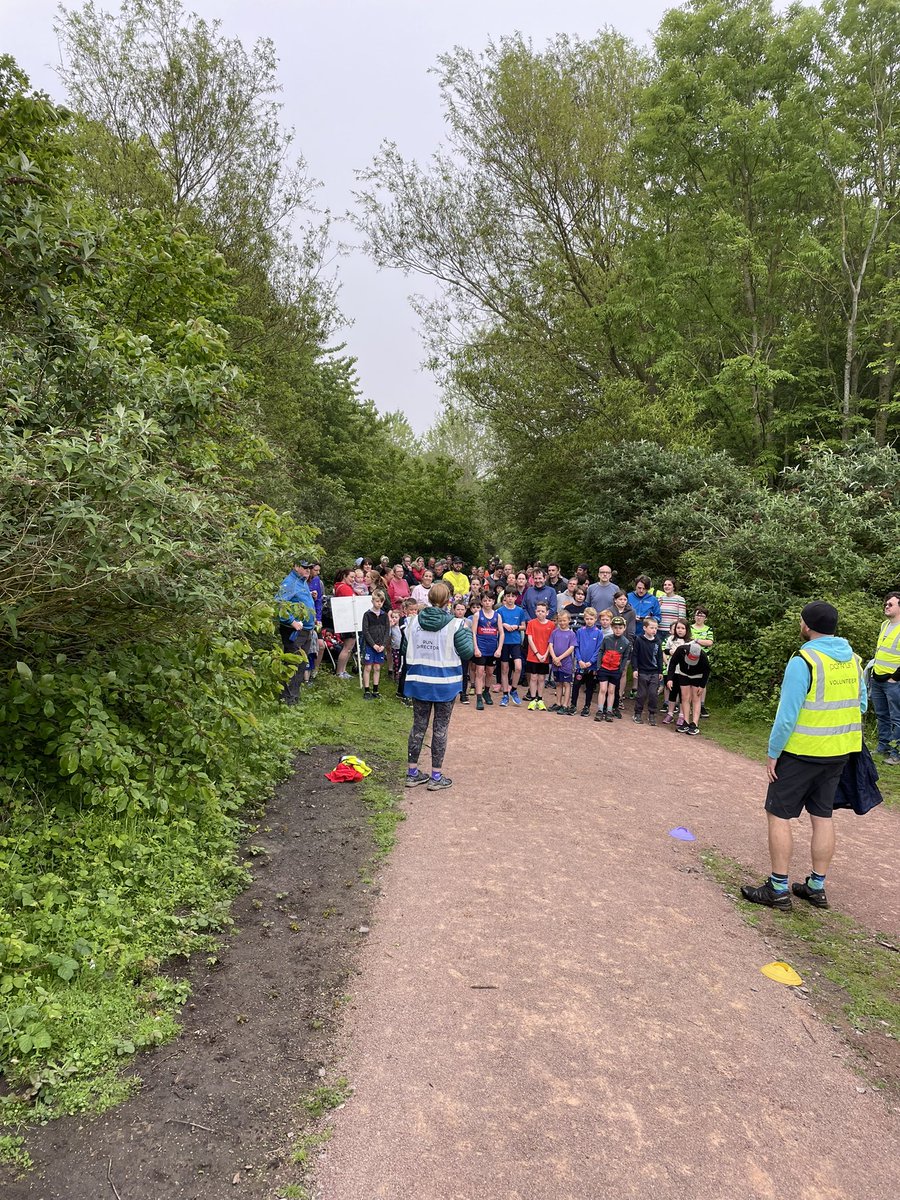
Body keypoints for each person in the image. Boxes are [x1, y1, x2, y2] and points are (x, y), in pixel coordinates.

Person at [741, 601, 866, 912]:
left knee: (778, 814)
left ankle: (778, 888)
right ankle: (816, 886)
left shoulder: (804, 659)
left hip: (802, 751)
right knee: (823, 816)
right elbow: (861, 705)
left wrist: (773, 753)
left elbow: (787, 716)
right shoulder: (853, 659)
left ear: (807, 625)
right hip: (839, 752)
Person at [403, 581, 474, 791]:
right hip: (445, 684)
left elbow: (406, 648)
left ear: (429, 598)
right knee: (440, 728)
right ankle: (436, 776)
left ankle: (412, 773)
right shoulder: (456, 624)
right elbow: (467, 653)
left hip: (419, 682)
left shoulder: (412, 622)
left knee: (418, 726)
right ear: (448, 601)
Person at [275, 559, 317, 703]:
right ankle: (286, 699)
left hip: (306, 630)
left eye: (309, 567)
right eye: (305, 567)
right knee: (292, 663)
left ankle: (294, 697)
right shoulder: (290, 582)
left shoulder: (302, 581)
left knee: (301, 664)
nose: (308, 570)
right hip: (294, 632)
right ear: (296, 566)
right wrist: (291, 621)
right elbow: (279, 604)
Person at [871, 591, 900, 766]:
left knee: (897, 718)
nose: (886, 607)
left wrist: (894, 678)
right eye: (886, 604)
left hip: (893, 682)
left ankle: (896, 753)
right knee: (882, 715)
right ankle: (883, 747)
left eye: (890, 604)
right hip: (877, 678)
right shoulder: (884, 625)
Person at [666, 640, 710, 735]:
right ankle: (685, 722)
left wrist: (702, 686)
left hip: (697, 675)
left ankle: (694, 724)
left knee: (696, 697)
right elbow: (673, 663)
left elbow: (707, 671)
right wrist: (670, 679)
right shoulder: (681, 650)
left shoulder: (703, 656)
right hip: (683, 674)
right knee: (685, 697)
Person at [472, 592, 504, 710]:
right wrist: (476, 648)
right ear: (481, 602)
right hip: (481, 648)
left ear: (493, 602)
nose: (487, 603)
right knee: (480, 672)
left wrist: (499, 648)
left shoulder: (497, 616)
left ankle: (486, 691)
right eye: (485, 600)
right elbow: (473, 633)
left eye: (489, 600)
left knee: (490, 672)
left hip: (492, 649)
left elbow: (501, 633)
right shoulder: (477, 615)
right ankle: (479, 698)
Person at [595, 615, 630, 722]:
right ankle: (600, 710)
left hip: (615, 670)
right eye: (615, 627)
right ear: (612, 627)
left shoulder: (626, 642)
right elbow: (601, 651)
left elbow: (625, 657)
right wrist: (599, 666)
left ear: (624, 628)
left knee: (611, 691)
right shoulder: (607, 639)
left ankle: (609, 710)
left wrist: (621, 669)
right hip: (604, 668)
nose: (617, 630)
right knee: (603, 689)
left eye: (620, 628)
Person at [631, 617, 663, 725]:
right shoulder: (639, 640)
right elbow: (634, 655)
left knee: (653, 694)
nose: (654, 630)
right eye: (652, 628)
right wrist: (635, 669)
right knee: (641, 694)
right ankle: (638, 713)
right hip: (643, 671)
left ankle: (652, 714)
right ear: (645, 628)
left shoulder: (657, 641)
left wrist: (660, 671)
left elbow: (659, 657)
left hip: (654, 672)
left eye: (656, 628)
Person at [571, 607, 603, 716]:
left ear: (595, 619)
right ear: (584, 619)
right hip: (580, 665)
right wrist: (579, 660)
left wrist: (591, 662)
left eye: (591, 619)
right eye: (587, 618)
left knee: (589, 687)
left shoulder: (599, 633)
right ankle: (573, 705)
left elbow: (598, 649)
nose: (589, 621)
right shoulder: (580, 631)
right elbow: (576, 647)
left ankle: (586, 707)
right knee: (576, 685)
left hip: (591, 666)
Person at [498, 589, 527, 706]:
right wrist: (503, 624)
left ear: (516, 598)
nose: (510, 598)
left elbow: (524, 626)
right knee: (504, 669)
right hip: (504, 642)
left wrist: (517, 626)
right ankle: (505, 694)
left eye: (512, 596)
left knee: (518, 667)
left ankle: (514, 690)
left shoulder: (519, 611)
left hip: (515, 642)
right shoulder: (499, 611)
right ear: (504, 597)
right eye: (508, 596)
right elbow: (496, 626)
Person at [662, 617, 691, 724]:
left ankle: (682, 715)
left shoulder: (690, 642)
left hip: (684, 672)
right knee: (672, 692)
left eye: (682, 628)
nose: (680, 630)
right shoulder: (671, 639)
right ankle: (670, 713)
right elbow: (665, 650)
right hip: (673, 670)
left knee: (683, 694)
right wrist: (671, 652)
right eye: (678, 628)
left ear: (687, 630)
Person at [525, 602, 554, 710]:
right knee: (533, 677)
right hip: (533, 656)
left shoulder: (551, 625)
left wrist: (545, 654)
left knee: (542, 678)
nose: (540, 613)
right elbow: (530, 639)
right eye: (538, 611)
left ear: (547, 612)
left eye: (542, 611)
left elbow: (551, 642)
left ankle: (540, 699)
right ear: (535, 611)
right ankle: (533, 699)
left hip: (544, 657)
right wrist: (537, 654)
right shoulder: (531, 623)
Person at [362, 589, 390, 700]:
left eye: (381, 602)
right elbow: (365, 631)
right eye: (377, 601)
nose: (379, 604)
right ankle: (367, 690)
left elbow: (387, 631)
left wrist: (383, 645)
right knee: (368, 667)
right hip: (370, 645)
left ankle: (375, 690)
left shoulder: (384, 615)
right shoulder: (367, 615)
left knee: (377, 667)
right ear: (372, 601)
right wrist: (373, 645)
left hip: (381, 645)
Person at [548, 610, 577, 713]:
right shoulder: (554, 632)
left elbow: (571, 648)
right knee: (558, 683)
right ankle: (558, 703)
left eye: (564, 620)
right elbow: (550, 645)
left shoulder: (571, 634)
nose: (562, 623)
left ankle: (565, 705)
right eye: (560, 621)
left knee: (566, 683)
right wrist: (554, 658)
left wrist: (559, 658)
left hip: (566, 663)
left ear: (569, 620)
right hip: (556, 663)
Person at [690, 606, 715, 717]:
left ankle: (702, 705)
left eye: (701, 615)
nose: (699, 617)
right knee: (689, 681)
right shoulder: (689, 628)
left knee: (702, 682)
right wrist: (699, 641)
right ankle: (689, 704)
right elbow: (687, 640)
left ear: (706, 618)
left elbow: (709, 642)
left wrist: (697, 640)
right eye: (697, 615)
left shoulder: (708, 629)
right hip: (690, 657)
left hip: (703, 658)